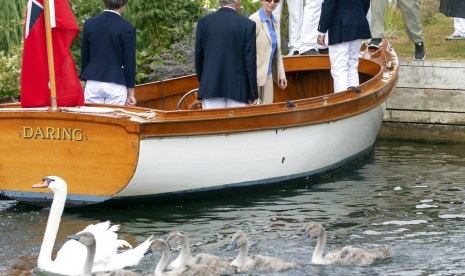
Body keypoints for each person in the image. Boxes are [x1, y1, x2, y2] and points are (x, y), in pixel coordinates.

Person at [195, 0, 258, 109]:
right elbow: (250, 62)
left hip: (210, 87)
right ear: (237, 1)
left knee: (213, 124)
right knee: (238, 125)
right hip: (238, 89)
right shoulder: (247, 25)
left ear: (220, 2)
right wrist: (253, 92)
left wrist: (206, 81)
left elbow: (199, 59)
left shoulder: (203, 22)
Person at [80, 0, 137, 106]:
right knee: (114, 120)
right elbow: (129, 62)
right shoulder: (128, 28)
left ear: (104, 2)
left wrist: (86, 79)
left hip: (93, 81)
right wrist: (131, 93)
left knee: (93, 120)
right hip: (116, 82)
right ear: (124, 5)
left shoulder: (89, 23)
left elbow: (85, 56)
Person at [317, 0, 371, 93]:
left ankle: (343, 104)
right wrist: (358, 16)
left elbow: (329, 5)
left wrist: (322, 31)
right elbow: (366, 3)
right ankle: (354, 102)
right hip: (358, 23)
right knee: (352, 66)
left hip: (340, 26)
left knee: (339, 70)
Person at [249, 0, 287, 104]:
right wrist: (251, 76)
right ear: (261, 1)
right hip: (255, 75)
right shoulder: (254, 20)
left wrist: (281, 75)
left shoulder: (275, 22)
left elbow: (277, 51)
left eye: (276, 0)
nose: (272, 3)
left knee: (267, 109)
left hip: (269, 74)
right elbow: (247, 50)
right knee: (252, 111)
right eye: (268, 0)